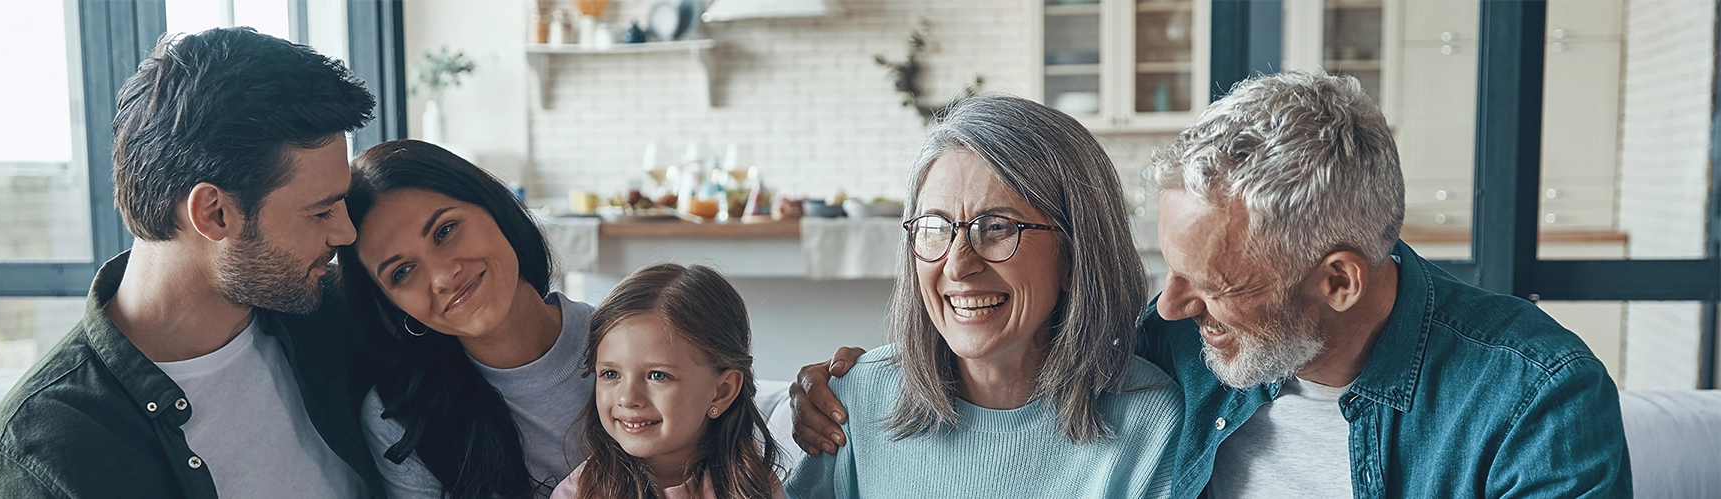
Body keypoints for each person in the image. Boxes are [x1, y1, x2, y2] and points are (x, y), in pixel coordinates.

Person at [791, 72, 1632, 498]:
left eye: (1213, 283)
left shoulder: (1533, 398)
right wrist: (849, 387)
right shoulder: (1175, 355)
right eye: (1171, 267)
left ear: (1338, 280)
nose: (1167, 307)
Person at [0, 28, 384, 498]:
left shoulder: (332, 315)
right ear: (213, 213)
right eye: (321, 211)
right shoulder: (44, 450)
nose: (346, 233)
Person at [782, 95, 1182, 499]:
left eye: (996, 227)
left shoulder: (1151, 424)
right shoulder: (854, 399)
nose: (957, 266)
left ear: (1075, 254)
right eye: (935, 226)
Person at [342, 139, 592, 498]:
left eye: (445, 231)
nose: (443, 277)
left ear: (495, 207)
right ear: (391, 305)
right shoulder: (399, 419)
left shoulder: (635, 345)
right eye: (402, 272)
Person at [551, 263, 784, 499]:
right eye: (611, 374)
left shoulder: (755, 488)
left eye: (658, 376)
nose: (628, 398)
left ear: (721, 391)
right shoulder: (578, 494)